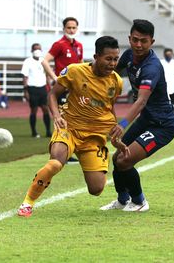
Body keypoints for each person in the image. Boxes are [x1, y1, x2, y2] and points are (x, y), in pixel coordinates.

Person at [17, 36, 125, 217]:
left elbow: (109, 107)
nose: (112, 63)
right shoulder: (75, 71)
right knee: (55, 162)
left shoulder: (116, 81)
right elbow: (52, 94)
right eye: (108, 59)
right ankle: (27, 203)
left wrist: (115, 136)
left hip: (94, 136)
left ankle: (93, 157)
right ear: (96, 56)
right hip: (70, 128)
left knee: (96, 189)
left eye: (115, 59)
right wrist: (57, 116)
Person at [100, 19, 174, 213]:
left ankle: (140, 201)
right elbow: (109, 75)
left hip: (162, 126)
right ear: (129, 39)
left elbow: (141, 101)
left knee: (125, 160)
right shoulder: (128, 55)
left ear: (152, 41)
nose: (138, 45)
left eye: (144, 41)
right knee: (117, 157)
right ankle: (122, 200)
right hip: (146, 119)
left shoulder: (152, 67)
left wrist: (123, 123)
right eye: (135, 40)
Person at [42, 17, 83, 162]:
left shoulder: (78, 45)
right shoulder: (59, 44)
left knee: (75, 117)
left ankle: (71, 147)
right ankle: (59, 150)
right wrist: (55, 78)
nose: (71, 30)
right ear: (64, 29)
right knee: (60, 117)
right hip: (62, 87)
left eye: (74, 28)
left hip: (75, 88)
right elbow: (44, 60)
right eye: (69, 28)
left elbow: (80, 64)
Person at [21, 43, 52, 138]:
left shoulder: (43, 61)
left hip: (42, 88)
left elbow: (47, 74)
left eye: (39, 49)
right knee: (34, 110)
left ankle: (48, 131)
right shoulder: (27, 61)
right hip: (32, 88)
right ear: (32, 51)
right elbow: (25, 76)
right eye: (35, 49)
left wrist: (49, 87)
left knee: (45, 109)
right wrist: (25, 91)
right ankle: (34, 131)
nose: (37, 51)